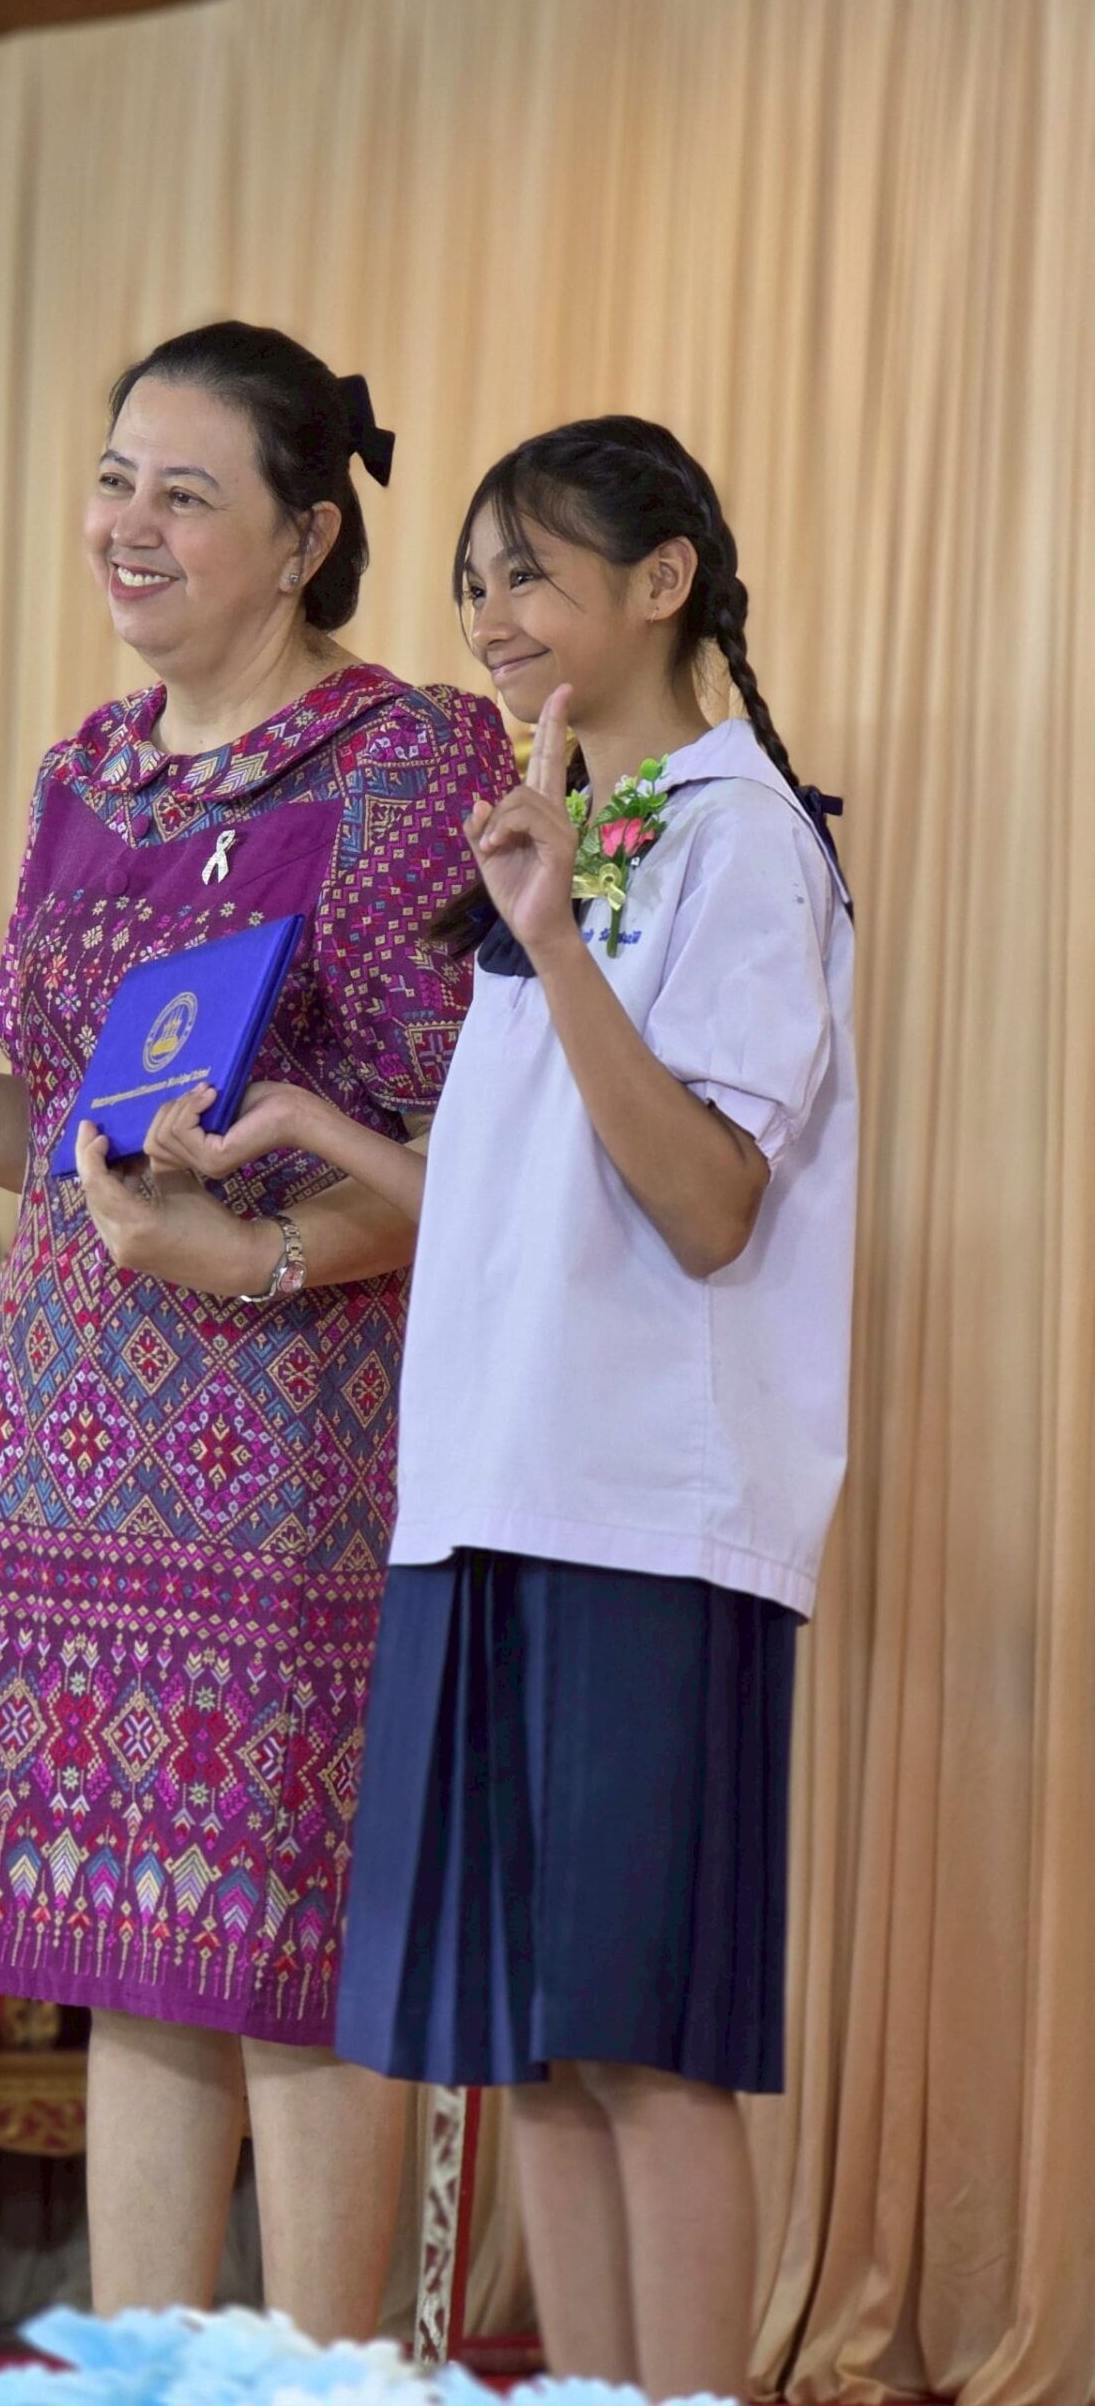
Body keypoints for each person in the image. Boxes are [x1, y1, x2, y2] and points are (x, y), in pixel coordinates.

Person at [0, 321, 511, 2337]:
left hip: (292, 1431)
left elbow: (474, 1152)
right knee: (133, 1952)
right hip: (73, 1429)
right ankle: (149, 2378)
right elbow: (59, 1141)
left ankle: (327, 2382)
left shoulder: (404, 759)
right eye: (113, 480)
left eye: (185, 492)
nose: (128, 525)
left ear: (305, 536)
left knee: (287, 1957)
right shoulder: (84, 770)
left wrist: (240, 1261)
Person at [151, 415, 857, 2399]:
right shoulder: (572, 832)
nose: (490, 615)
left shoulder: (737, 836)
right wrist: (320, 1130)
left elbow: (705, 1200)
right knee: (531, 2045)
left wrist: (548, 937)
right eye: (472, 582)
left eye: (529, 571)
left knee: (643, 2042)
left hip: (644, 1507)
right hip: (484, 1491)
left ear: (663, 581)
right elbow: (527, 1198)